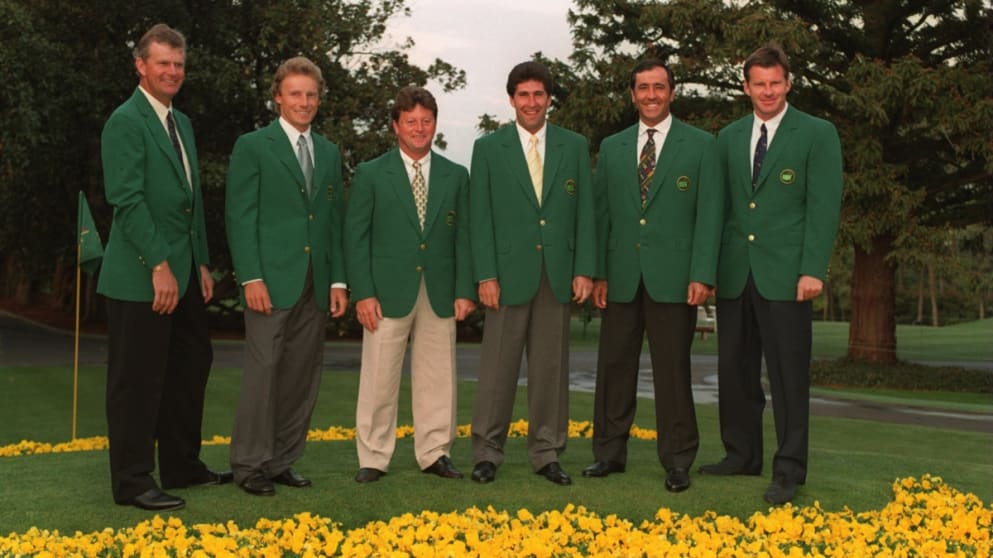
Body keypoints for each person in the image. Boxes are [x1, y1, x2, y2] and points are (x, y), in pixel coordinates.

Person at [698, 46, 843, 505]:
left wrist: (812, 269)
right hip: (736, 272)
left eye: (774, 83)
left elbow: (822, 208)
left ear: (788, 83)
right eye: (758, 83)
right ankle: (741, 454)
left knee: (787, 376)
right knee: (735, 371)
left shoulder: (818, 134)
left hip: (788, 277)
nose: (767, 91)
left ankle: (788, 468)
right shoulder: (727, 137)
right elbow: (716, 211)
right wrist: (709, 270)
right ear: (746, 87)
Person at [98, 23, 231, 511]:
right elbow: (128, 201)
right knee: (138, 380)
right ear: (141, 66)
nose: (172, 71)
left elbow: (188, 204)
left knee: (190, 367)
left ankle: (182, 465)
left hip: (185, 271)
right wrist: (159, 264)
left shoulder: (183, 124)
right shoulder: (125, 122)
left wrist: (200, 264)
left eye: (178, 64)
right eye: (163, 63)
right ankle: (133, 481)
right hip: (141, 277)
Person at [583, 59, 723, 493]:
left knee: (673, 372)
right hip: (622, 276)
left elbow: (709, 216)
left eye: (658, 87)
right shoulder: (612, 146)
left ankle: (678, 460)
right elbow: (601, 214)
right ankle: (608, 454)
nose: (650, 94)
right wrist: (600, 273)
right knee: (613, 367)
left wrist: (702, 273)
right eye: (642, 87)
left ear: (672, 92)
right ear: (632, 94)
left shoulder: (702, 146)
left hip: (676, 279)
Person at [225, 56, 348, 496]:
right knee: (263, 374)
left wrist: (337, 281)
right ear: (277, 96)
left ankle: (282, 460)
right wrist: (251, 277)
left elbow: (334, 221)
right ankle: (249, 464)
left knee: (301, 375)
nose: (305, 101)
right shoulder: (253, 146)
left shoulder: (330, 152)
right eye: (295, 93)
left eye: (311, 94)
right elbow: (240, 216)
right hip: (269, 281)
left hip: (315, 283)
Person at [468, 61, 595, 486]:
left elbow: (585, 215)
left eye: (538, 94)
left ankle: (547, 453)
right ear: (511, 100)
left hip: (557, 274)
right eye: (523, 95)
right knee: (497, 370)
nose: (531, 102)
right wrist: (485, 274)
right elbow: (479, 218)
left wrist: (584, 270)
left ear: (549, 99)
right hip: (505, 276)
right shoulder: (488, 148)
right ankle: (487, 452)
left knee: (550, 370)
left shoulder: (574, 146)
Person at [345, 86, 475, 483]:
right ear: (395, 126)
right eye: (411, 121)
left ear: (435, 123)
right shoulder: (370, 173)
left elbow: (465, 236)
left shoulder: (456, 175)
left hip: (439, 289)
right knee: (378, 377)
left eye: (426, 121)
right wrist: (363, 292)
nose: (419, 129)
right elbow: (356, 237)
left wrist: (465, 289)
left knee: (438, 376)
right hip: (384, 293)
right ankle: (373, 456)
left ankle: (435, 452)